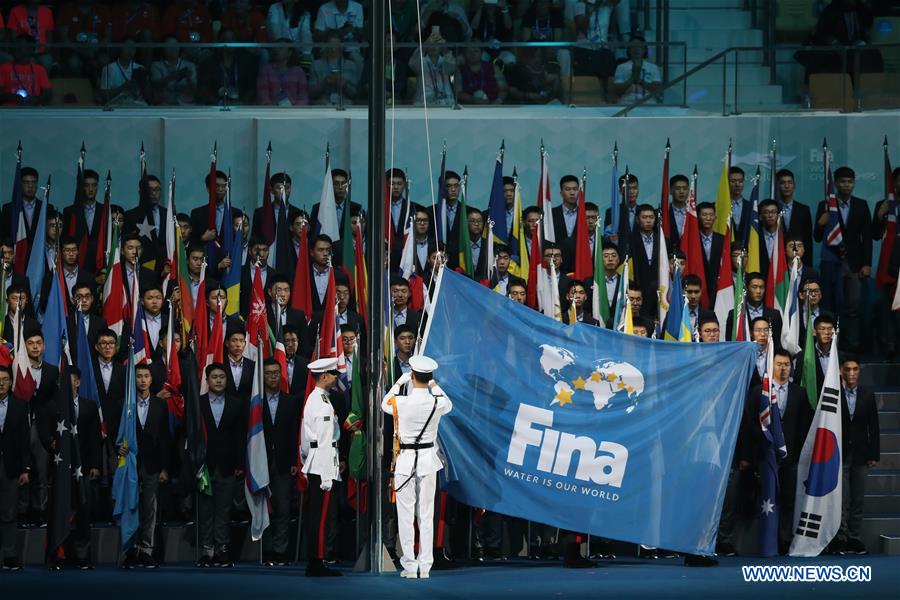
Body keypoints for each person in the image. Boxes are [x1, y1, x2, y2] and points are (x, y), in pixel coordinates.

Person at [382, 355, 452, 579]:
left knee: (405, 515)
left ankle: (410, 566)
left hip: (406, 460)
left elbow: (385, 403)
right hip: (427, 460)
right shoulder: (436, 401)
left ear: (412, 376)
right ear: (430, 377)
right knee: (426, 513)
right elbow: (448, 404)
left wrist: (399, 382)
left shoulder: (401, 402)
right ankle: (426, 566)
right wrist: (433, 384)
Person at [743, 348, 813, 554]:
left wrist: (799, 453)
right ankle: (767, 540)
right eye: (779, 364)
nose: (783, 369)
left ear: (791, 368)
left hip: (790, 458)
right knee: (766, 497)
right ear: (772, 365)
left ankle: (783, 539)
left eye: (787, 365)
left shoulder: (799, 393)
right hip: (765, 455)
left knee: (788, 500)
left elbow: (805, 426)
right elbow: (749, 424)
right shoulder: (759, 392)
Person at [813, 166, 872, 353]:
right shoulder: (825, 205)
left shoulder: (861, 205)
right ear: (836, 183)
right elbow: (816, 236)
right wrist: (821, 224)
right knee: (829, 306)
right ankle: (830, 346)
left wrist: (867, 263)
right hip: (831, 262)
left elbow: (867, 237)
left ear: (853, 183)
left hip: (854, 265)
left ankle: (851, 347)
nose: (847, 185)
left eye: (850, 181)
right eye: (843, 181)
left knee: (853, 308)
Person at [196, 363, 245, 568]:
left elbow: (241, 436)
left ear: (227, 380)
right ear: (207, 381)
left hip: (227, 465)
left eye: (222, 377)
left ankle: (221, 550)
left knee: (224, 510)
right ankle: (206, 551)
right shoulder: (198, 403)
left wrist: (240, 463)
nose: (218, 380)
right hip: (203, 466)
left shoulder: (236, 403)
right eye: (214, 377)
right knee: (205, 511)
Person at [123, 364, 169, 569]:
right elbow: (118, 435)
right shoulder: (125, 404)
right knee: (130, 507)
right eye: (138, 376)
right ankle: (130, 550)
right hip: (130, 464)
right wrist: (119, 449)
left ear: (151, 380)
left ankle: (146, 551)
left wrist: (164, 468)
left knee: (150, 509)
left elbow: (165, 438)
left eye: (146, 376)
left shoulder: (160, 405)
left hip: (152, 465)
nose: (142, 379)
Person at [301, 357, 343, 577]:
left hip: (315, 461)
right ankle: (316, 561)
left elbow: (305, 438)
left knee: (318, 516)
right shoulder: (323, 404)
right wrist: (328, 475)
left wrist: (306, 459)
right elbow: (325, 441)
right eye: (334, 374)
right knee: (321, 518)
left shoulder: (315, 399)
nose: (337, 378)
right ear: (324, 376)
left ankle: (316, 560)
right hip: (322, 465)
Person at [835, 354, 880, 555]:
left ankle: (855, 538)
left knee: (858, 499)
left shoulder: (867, 395)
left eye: (855, 369)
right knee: (842, 499)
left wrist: (874, 454)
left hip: (861, 454)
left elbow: (874, 427)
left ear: (859, 371)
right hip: (840, 453)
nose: (851, 373)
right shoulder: (833, 393)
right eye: (848, 369)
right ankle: (841, 538)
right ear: (841, 371)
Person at [260, 359, 300, 566]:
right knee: (264, 507)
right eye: (268, 373)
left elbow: (295, 433)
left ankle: (280, 550)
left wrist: (294, 460)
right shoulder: (255, 402)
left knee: (283, 508)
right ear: (262, 376)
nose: (273, 376)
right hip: (260, 461)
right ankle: (266, 550)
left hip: (284, 461)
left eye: (276, 373)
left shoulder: (291, 401)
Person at [0, 366, 29, 571]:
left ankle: (10, 555)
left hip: (10, 467)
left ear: (11, 382)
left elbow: (24, 441)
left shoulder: (20, 406)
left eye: (4, 379)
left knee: (9, 513)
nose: (1, 383)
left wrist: (25, 469)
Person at [309, 32, 360, 106]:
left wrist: (345, 85)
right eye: (331, 46)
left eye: (336, 46)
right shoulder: (316, 65)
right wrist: (324, 82)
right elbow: (311, 94)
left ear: (342, 47)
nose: (333, 49)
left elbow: (356, 94)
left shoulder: (351, 65)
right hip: (323, 105)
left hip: (345, 104)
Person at [610, 35, 661, 104]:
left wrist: (640, 81)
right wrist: (632, 79)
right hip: (627, 101)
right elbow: (617, 91)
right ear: (629, 50)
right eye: (633, 46)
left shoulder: (653, 67)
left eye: (639, 46)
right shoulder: (621, 67)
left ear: (644, 49)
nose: (636, 49)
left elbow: (657, 89)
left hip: (648, 101)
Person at [256, 40, 309, 106]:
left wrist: (295, 109)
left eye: (280, 48)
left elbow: (303, 95)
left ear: (289, 52)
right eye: (275, 48)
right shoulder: (266, 69)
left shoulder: (298, 71)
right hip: (271, 111)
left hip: (294, 111)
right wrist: (270, 106)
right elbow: (262, 93)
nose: (276, 50)